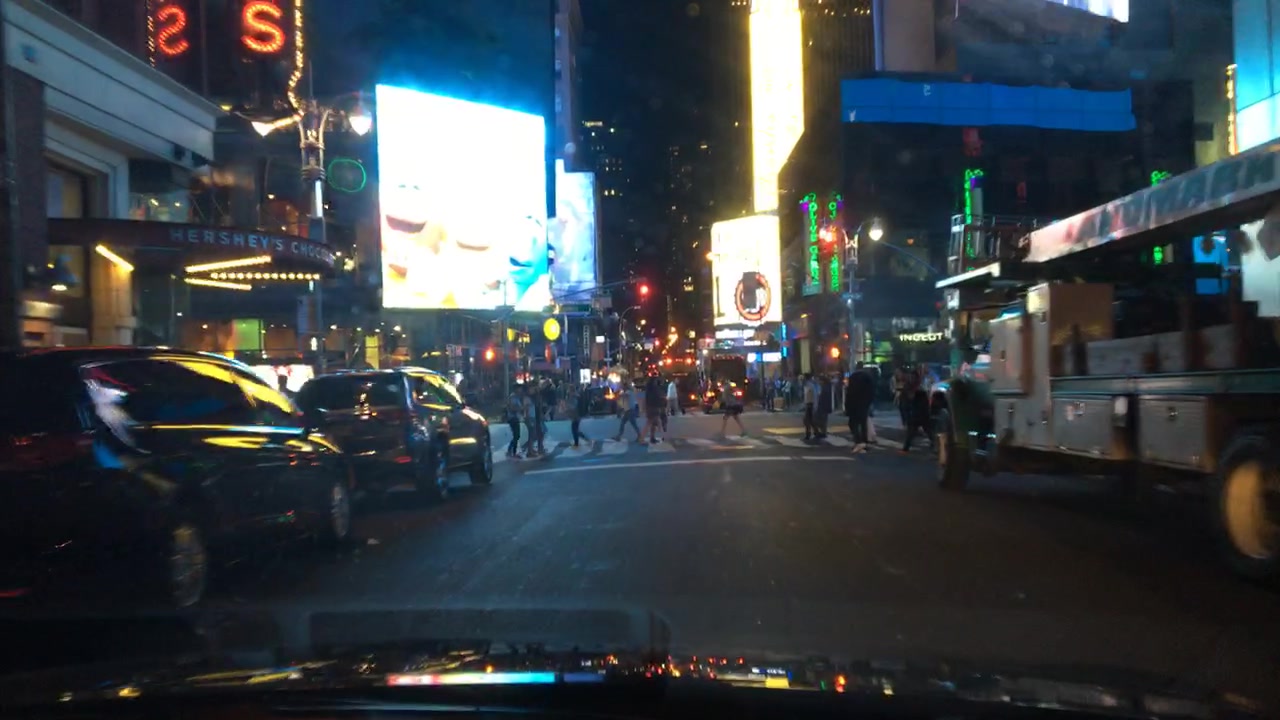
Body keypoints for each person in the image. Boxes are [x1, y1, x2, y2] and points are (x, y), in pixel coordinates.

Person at [844, 363, 874, 453]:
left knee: (853, 423)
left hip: (854, 404)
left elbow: (849, 392)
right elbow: (871, 391)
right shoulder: (868, 377)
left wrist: (847, 406)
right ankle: (864, 442)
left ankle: (858, 440)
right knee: (863, 423)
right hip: (864, 403)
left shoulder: (853, 377)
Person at [642, 375, 664, 443]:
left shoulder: (649, 389)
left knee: (653, 423)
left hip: (650, 407)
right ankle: (642, 438)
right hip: (653, 407)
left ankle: (652, 437)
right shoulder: (654, 389)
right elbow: (657, 398)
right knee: (651, 423)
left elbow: (646, 399)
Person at [506, 386, 525, 457]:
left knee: (516, 435)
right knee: (516, 435)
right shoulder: (513, 397)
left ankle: (511, 450)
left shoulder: (516, 397)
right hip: (513, 418)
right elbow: (512, 408)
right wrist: (520, 408)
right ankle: (513, 452)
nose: (521, 389)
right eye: (519, 388)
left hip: (515, 418)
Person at [568, 383, 590, 447]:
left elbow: (574, 406)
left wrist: (567, 407)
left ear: (570, 390)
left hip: (576, 416)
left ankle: (577, 443)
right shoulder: (575, 395)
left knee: (574, 430)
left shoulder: (574, 396)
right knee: (575, 430)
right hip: (576, 415)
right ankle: (584, 439)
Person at [801, 373, 817, 441]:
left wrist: (814, 406)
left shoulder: (810, 386)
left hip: (810, 405)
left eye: (803, 378)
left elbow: (814, 396)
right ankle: (816, 432)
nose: (802, 379)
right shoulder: (805, 386)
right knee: (810, 420)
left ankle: (808, 434)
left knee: (806, 420)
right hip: (808, 404)